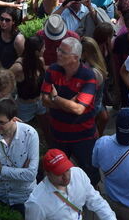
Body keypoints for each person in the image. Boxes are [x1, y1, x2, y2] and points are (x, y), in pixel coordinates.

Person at [41, 36, 99, 185]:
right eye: (58, 49)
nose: (58, 53)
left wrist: (56, 98)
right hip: (59, 134)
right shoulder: (52, 70)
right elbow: (44, 99)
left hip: (83, 136)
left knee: (89, 171)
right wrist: (67, 103)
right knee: (58, 171)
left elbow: (79, 109)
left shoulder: (88, 76)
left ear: (75, 57)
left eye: (62, 51)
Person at [0, 96, 39, 211]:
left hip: (23, 198)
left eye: (1, 122)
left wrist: (1, 169)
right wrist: (20, 174)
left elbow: (31, 175)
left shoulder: (30, 134)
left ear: (14, 119)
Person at [25, 149, 116, 220]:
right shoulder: (36, 203)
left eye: (67, 169)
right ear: (48, 173)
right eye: (59, 173)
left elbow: (96, 201)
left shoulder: (78, 174)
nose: (66, 176)